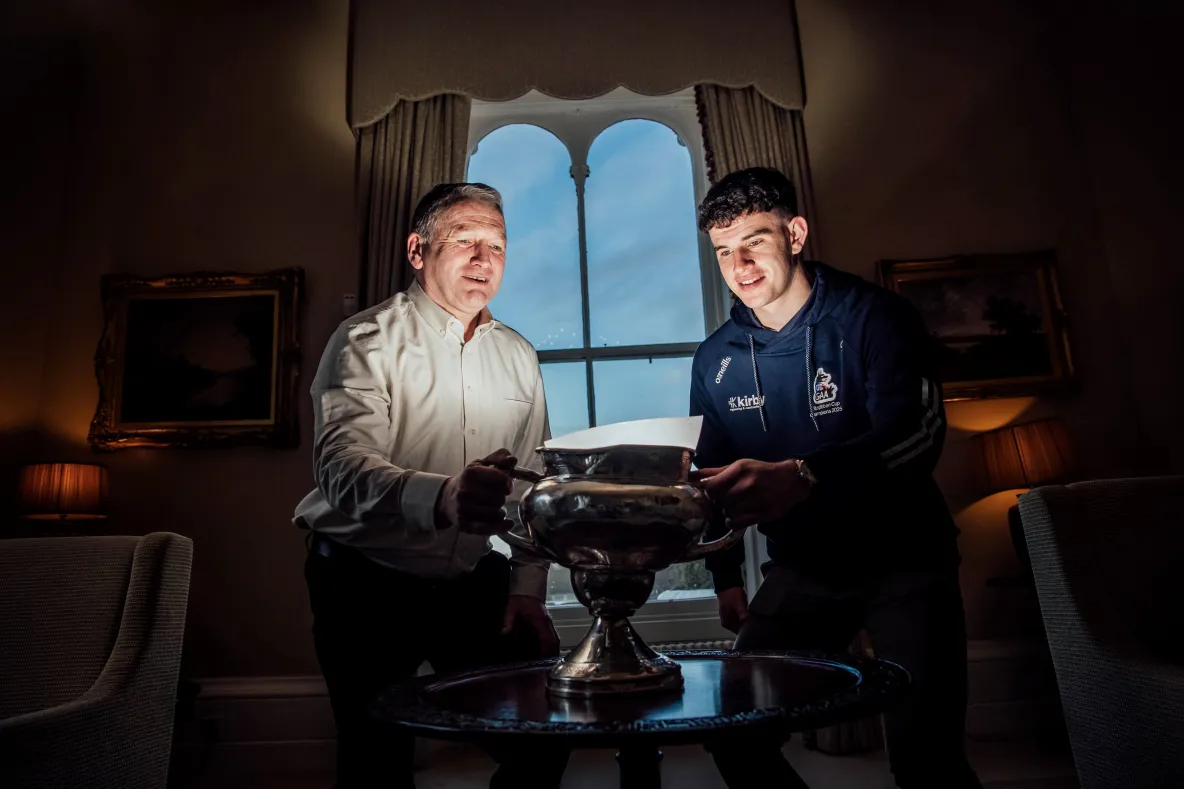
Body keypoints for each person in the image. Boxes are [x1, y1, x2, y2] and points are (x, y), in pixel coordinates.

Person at [689, 167, 982, 789]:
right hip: (803, 570)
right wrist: (723, 578)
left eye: (753, 243)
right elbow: (710, 473)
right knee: (734, 731)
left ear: (794, 234)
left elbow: (918, 435)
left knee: (927, 757)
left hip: (906, 562)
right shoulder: (715, 359)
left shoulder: (876, 317)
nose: (738, 265)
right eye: (722, 252)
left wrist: (804, 474)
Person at [294, 182, 568, 789]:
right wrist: (443, 496)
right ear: (418, 251)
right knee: (376, 764)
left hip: (472, 583)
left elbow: (533, 482)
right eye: (465, 242)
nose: (483, 260)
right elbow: (341, 467)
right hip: (362, 581)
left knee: (541, 742)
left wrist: (527, 589)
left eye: (496, 246)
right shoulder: (365, 341)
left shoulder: (520, 356)